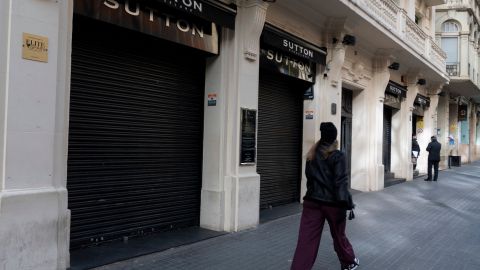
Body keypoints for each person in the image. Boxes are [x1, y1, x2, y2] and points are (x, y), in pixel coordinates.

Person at [291, 122, 359, 270]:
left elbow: (309, 178)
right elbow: (340, 182)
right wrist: (347, 203)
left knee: (306, 241)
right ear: (335, 138)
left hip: (311, 202)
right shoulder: (338, 155)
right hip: (333, 204)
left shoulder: (311, 155)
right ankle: (349, 261)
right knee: (339, 236)